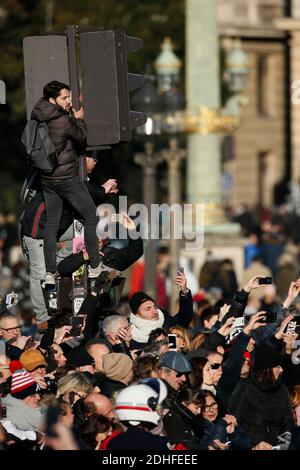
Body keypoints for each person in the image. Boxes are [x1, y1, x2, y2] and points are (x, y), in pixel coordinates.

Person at [20, 153, 118, 324]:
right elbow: (84, 190)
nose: (95, 161)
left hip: (57, 227)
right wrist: (103, 189)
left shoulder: (79, 175)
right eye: (91, 157)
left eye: (97, 157)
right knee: (39, 272)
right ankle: (43, 317)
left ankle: (63, 261)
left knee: (95, 227)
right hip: (38, 229)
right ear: (81, 158)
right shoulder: (67, 171)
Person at [30, 81, 103, 284]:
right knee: (90, 215)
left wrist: (70, 111)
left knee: (51, 224)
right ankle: (96, 264)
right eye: (65, 98)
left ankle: (50, 272)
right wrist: (79, 119)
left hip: (46, 177)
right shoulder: (63, 120)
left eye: (69, 97)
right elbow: (80, 136)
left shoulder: (38, 112)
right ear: (53, 99)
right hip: (66, 178)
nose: (69, 101)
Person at [228, 343, 293, 448]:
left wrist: (283, 444)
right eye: (277, 366)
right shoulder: (245, 389)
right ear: (266, 369)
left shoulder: (281, 389)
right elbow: (233, 426)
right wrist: (253, 446)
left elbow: (287, 422)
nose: (281, 370)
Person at [128, 270, 193, 348]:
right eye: (148, 309)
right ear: (137, 315)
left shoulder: (167, 324)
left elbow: (185, 317)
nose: (154, 311)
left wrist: (184, 291)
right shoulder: (129, 334)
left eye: (154, 307)